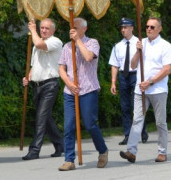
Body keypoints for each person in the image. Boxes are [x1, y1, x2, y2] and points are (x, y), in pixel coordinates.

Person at [120, 16, 171, 163]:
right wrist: (138, 52)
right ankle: (131, 151)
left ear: (159, 29)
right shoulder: (141, 43)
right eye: (147, 27)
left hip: (158, 90)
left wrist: (150, 82)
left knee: (160, 122)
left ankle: (162, 152)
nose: (149, 29)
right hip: (141, 90)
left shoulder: (165, 45)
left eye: (152, 27)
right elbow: (132, 65)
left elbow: (167, 69)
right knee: (137, 120)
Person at [57, 18, 109, 171]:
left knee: (90, 124)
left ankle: (102, 150)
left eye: (76, 27)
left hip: (88, 89)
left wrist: (78, 40)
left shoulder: (92, 42)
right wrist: (69, 83)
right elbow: (61, 68)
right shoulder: (67, 47)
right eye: (71, 27)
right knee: (69, 125)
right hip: (70, 91)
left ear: (84, 29)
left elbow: (88, 57)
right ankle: (69, 159)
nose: (72, 30)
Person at [21, 18, 64, 160]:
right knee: (45, 118)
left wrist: (32, 30)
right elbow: (35, 65)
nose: (43, 30)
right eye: (42, 28)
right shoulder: (36, 44)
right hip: (37, 85)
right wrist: (28, 77)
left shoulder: (55, 41)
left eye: (46, 28)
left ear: (53, 30)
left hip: (50, 84)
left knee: (40, 117)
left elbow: (39, 44)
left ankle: (34, 150)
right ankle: (60, 145)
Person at [108, 18, 147, 146]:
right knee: (125, 107)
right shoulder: (118, 46)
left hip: (136, 75)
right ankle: (127, 134)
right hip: (123, 76)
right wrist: (113, 82)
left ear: (132, 28)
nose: (123, 30)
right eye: (122, 28)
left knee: (137, 105)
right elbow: (114, 65)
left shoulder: (140, 43)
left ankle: (142, 131)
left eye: (126, 27)